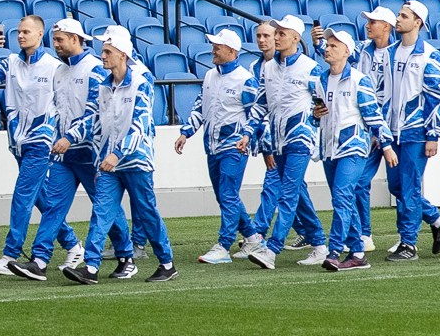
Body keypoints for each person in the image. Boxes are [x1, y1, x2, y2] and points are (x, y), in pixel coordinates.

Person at [65, 28, 175, 284]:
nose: (102, 56)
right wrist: (70, 137)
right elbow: (94, 120)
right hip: (109, 163)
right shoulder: (105, 87)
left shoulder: (141, 84)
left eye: (107, 52)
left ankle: (167, 263)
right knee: (101, 212)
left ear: (123, 55)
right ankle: (90, 267)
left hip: (135, 161)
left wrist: (115, 153)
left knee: (147, 213)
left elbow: (140, 125)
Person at [30, 17, 124, 279]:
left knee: (105, 207)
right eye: (54, 40)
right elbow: (56, 110)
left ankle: (125, 253)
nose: (55, 45)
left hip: (91, 154)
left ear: (75, 39)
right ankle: (39, 259)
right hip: (65, 154)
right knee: (53, 206)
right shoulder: (59, 72)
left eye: (60, 40)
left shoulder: (95, 69)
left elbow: (96, 112)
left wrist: (69, 137)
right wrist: (53, 135)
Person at [368, 1, 440, 259]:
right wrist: (379, 130)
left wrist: (432, 135)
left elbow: (435, 98)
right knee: (397, 186)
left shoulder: (429, 55)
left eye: (404, 16)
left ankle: (408, 243)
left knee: (409, 187)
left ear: (418, 22)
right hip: (392, 132)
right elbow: (380, 92)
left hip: (415, 131)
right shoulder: (389, 53)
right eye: (398, 15)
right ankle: (437, 220)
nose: (398, 19)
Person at [248, 16, 329, 272]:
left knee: (288, 192)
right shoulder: (268, 67)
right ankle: (319, 244)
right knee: (296, 191)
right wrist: (249, 133)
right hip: (279, 139)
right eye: (277, 32)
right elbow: (260, 104)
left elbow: (323, 100)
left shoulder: (309, 67)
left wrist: (315, 118)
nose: (277, 36)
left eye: (282, 32)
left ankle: (272, 249)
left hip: (300, 138)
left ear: (296, 37)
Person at [0, 16, 61, 278]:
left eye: (26, 31)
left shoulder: (53, 66)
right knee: (42, 199)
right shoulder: (10, 62)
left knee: (22, 197)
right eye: (19, 31)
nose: (21, 36)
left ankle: (10, 255)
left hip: (41, 142)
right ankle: (74, 245)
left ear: (41, 34)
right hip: (17, 141)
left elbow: (63, 103)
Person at [176, 27, 258, 265]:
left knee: (227, 194)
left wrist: (247, 136)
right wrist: (186, 132)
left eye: (218, 46)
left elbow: (255, 114)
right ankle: (252, 237)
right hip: (212, 146)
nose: (213, 50)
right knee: (225, 195)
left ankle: (224, 245)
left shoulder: (245, 79)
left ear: (232, 51)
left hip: (234, 147)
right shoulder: (211, 75)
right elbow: (200, 107)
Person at [317, 27, 376, 272]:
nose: (328, 49)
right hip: (330, 148)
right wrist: (314, 115)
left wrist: (387, 144)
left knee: (342, 195)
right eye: (328, 45)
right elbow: (316, 115)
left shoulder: (359, 80)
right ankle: (358, 252)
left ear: (346, 52)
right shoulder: (321, 79)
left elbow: (373, 115)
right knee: (343, 198)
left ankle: (334, 250)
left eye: (334, 46)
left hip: (353, 147)